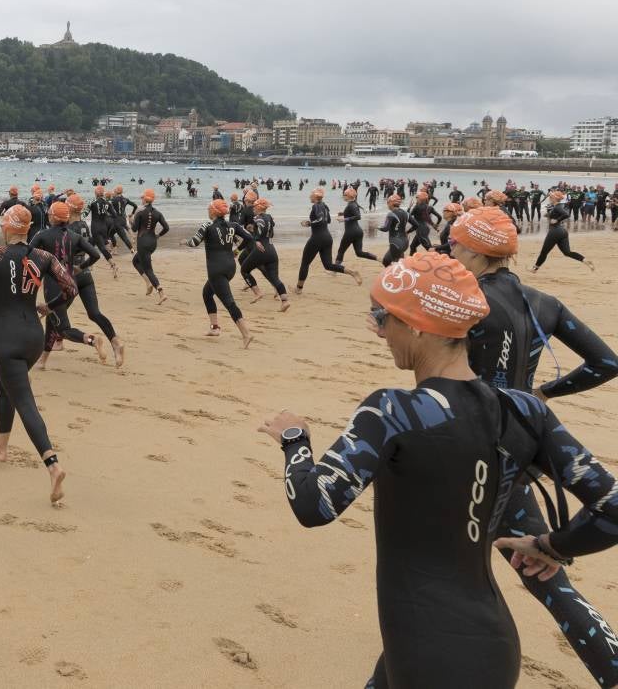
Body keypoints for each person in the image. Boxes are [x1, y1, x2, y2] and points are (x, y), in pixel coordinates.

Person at [260, 250, 618, 689]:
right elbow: (612, 506)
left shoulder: (392, 411)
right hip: (482, 647)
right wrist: (554, 544)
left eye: (383, 316)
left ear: (415, 326)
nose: (380, 331)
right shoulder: (524, 410)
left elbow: (314, 505)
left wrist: (295, 442)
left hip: (429, 657)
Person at [449, 206, 618, 686]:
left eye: (456, 245)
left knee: (437, 576)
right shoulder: (542, 301)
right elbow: (606, 363)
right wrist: (544, 393)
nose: (450, 251)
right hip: (523, 445)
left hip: (465, 453)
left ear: (478, 251)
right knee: (547, 577)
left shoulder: (464, 298)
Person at [0, 204, 76, 506]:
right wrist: (48, 307)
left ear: (6, 227)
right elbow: (70, 288)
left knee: (23, 399)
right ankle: (1, 445)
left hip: (5, 340)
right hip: (33, 339)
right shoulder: (43, 257)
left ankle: (53, 465)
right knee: (3, 386)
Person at [30, 200, 108, 367]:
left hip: (53, 285)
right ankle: (43, 360)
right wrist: (80, 268)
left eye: (50, 214)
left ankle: (93, 340)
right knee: (53, 318)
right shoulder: (75, 236)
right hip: (71, 285)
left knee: (63, 328)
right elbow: (95, 255)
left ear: (52, 216)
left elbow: (26, 256)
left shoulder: (42, 235)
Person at [184, 198, 254, 347]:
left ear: (213, 211)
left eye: (209, 209)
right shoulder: (233, 225)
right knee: (207, 293)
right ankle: (215, 328)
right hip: (230, 267)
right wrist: (237, 251)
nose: (207, 211)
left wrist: (185, 242)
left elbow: (194, 242)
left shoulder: (207, 226)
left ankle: (246, 334)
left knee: (229, 302)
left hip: (216, 269)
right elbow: (249, 238)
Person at [64, 193, 124, 366]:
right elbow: (90, 247)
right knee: (94, 313)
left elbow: (66, 252)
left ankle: (47, 354)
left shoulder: (70, 228)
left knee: (57, 314)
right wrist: (83, 267)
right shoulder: (84, 224)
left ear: (69, 208)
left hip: (72, 274)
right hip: (86, 275)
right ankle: (115, 341)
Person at [296, 188, 361, 293]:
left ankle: (298, 289)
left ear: (315, 197)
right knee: (328, 265)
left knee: (305, 263)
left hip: (317, 238)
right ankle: (352, 272)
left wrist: (309, 223)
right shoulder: (325, 206)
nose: (309, 196)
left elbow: (321, 219)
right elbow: (328, 220)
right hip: (327, 238)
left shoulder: (316, 206)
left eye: (311, 195)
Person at [240, 198, 290, 312]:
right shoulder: (269, 217)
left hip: (261, 249)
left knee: (244, 270)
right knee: (274, 278)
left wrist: (256, 239)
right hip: (272, 249)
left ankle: (257, 293)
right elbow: (270, 227)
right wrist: (253, 228)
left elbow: (261, 227)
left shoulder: (258, 218)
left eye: (254, 207)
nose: (253, 208)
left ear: (258, 207)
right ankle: (285, 301)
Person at [532, 190, 593, 272]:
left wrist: (557, 220)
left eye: (551, 197)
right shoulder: (557, 206)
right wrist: (548, 215)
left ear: (554, 198)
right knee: (567, 252)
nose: (550, 198)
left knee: (544, 252)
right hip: (562, 232)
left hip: (555, 231)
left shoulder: (557, 206)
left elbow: (566, 214)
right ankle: (584, 260)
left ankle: (534, 269)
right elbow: (559, 213)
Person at [130, 189, 169, 303]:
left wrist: (130, 220)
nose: (141, 199)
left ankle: (161, 292)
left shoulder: (140, 213)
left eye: (142, 197)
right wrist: (158, 235)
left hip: (143, 243)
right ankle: (148, 283)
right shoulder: (157, 213)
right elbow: (166, 228)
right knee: (135, 261)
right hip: (153, 243)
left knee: (148, 269)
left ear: (145, 199)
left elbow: (134, 229)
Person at [335, 187, 377, 265]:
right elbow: (353, 213)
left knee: (341, 251)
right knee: (359, 253)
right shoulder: (353, 203)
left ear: (349, 196)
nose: (343, 196)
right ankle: (378, 258)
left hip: (351, 232)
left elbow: (358, 216)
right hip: (358, 232)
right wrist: (342, 214)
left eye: (344, 195)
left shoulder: (351, 205)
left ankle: (335, 269)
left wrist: (344, 219)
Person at [380, 194, 409, 266]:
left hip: (395, 243)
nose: (387, 205)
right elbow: (416, 225)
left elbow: (385, 229)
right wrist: (408, 232)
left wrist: (377, 227)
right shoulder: (405, 213)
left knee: (397, 265)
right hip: (405, 242)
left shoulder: (391, 214)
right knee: (386, 261)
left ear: (391, 203)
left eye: (388, 202)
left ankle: (400, 276)